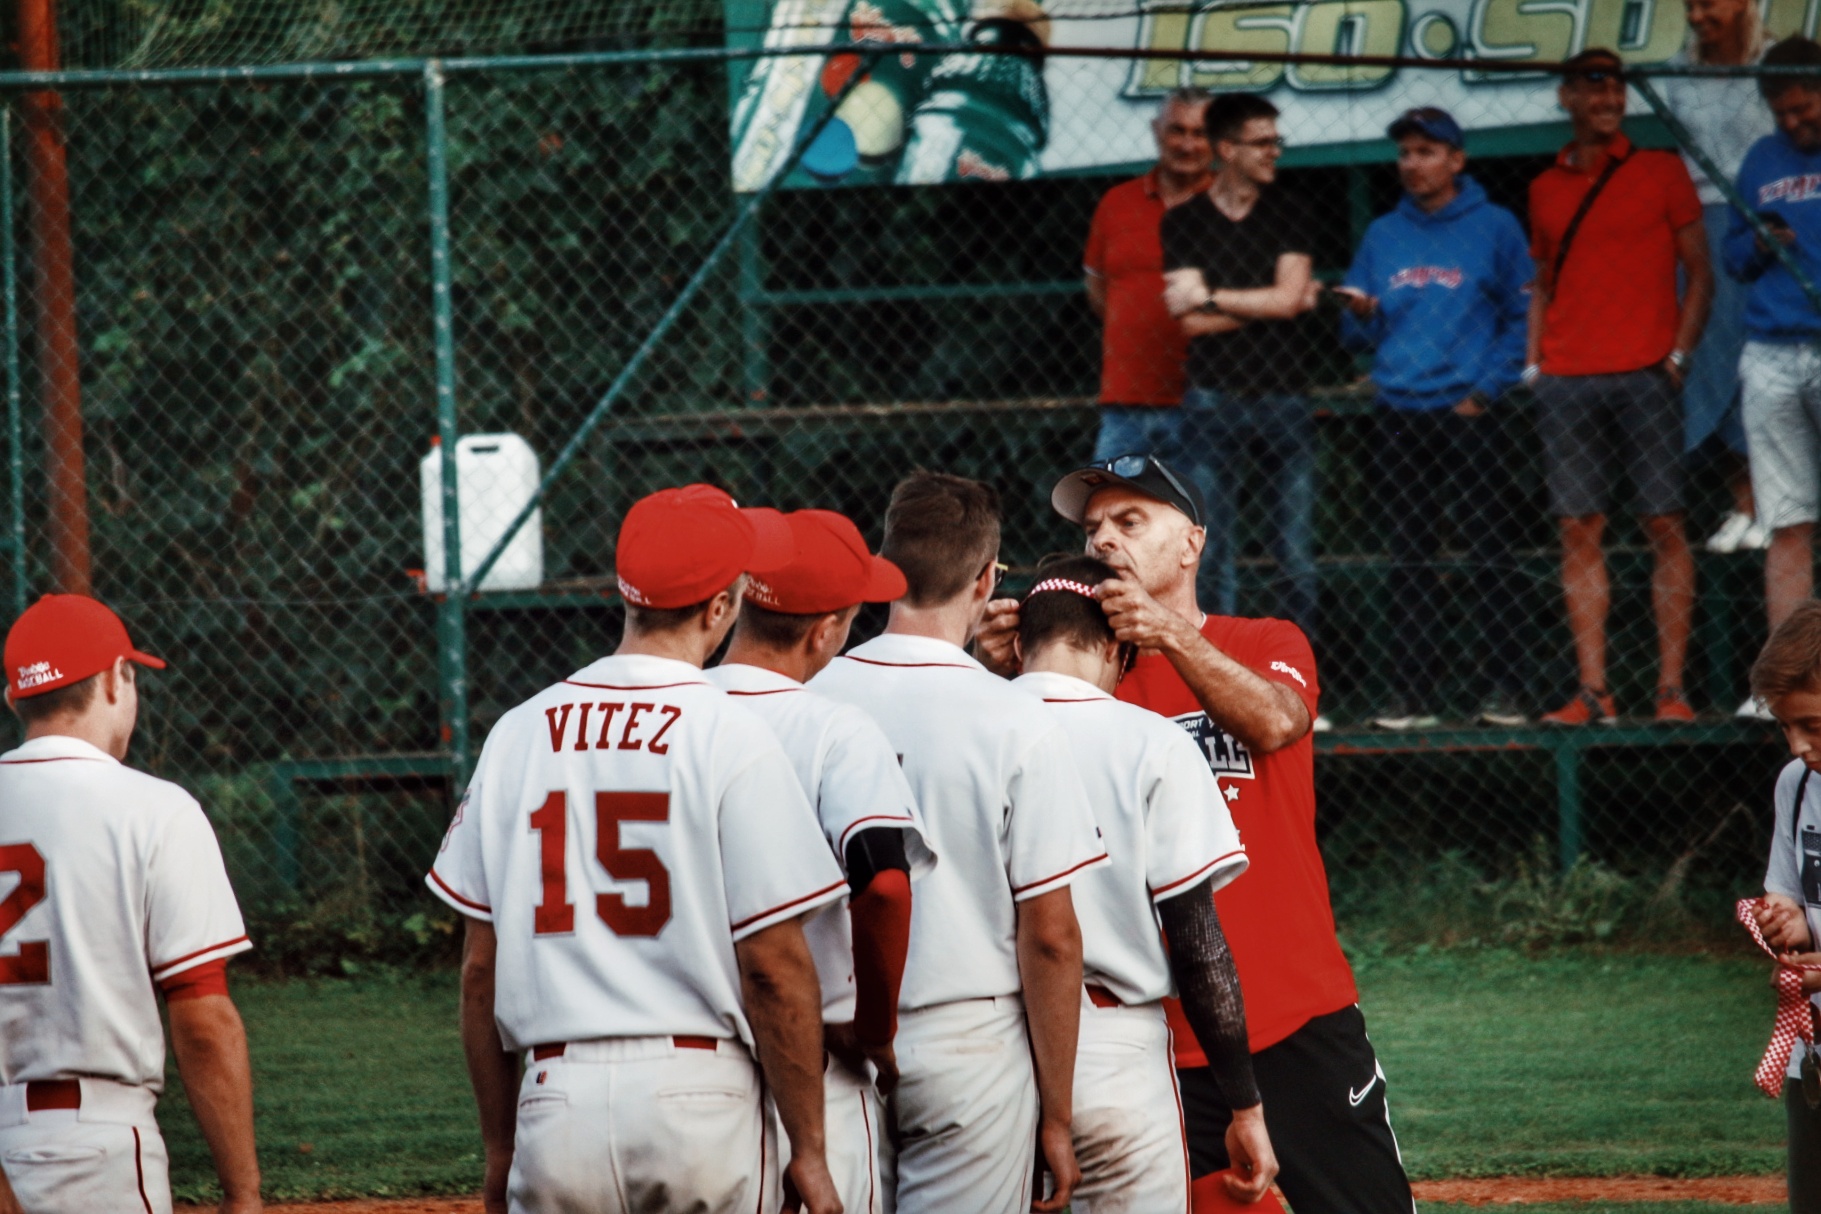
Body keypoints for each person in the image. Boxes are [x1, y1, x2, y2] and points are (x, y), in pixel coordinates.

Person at [977, 454, 1415, 1214]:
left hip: (1293, 1015)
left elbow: (1277, 720)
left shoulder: (1260, 638)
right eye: (1093, 528)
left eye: (1129, 521)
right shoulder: (1074, 680)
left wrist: (1171, 638)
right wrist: (997, 670)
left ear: (1191, 544)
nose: (1105, 539)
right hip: (1148, 1041)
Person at [427, 484, 846, 1214]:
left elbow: (479, 972)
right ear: (720, 609)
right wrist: (809, 1148)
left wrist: (501, 1147)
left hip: (554, 1107)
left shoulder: (519, 733)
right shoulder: (731, 734)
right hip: (698, 1106)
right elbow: (774, 968)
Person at [810, 471, 1107, 1214]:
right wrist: (1060, 1114)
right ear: (984, 581)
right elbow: (1050, 936)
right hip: (967, 1043)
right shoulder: (1013, 719)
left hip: (829, 1038)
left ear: (882, 572)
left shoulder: (808, 700)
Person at [1010, 553, 1279, 1213]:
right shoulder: (1150, 742)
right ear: (1115, 650)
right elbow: (1198, 945)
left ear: (1018, 643)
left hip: (981, 1044)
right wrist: (1243, 1103)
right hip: (1111, 1054)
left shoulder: (963, 725)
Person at [0, 594, 263, 1214]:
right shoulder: (155, 810)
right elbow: (203, 1019)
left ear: (16, 699)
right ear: (117, 680)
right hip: (100, 1149)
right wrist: (243, 1192)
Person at [707, 507, 934, 1214]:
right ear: (826, 629)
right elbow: (886, 889)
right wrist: (875, 1027)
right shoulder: (833, 728)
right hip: (817, 1060)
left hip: (687, 1065)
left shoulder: (674, 712)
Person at [1527, 47, 1712, 725]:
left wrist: (1680, 356)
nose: (1606, 99)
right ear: (1566, 96)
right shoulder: (1544, 186)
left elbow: (1700, 271)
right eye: (1592, 87)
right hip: (1567, 375)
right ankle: (1592, 690)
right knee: (1578, 527)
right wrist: (1533, 363)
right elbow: (1541, 283)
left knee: (1663, 521)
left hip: (1644, 371)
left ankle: (1670, 690)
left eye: (1615, 88)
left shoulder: (1660, 171)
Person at [1338, 106, 1533, 729]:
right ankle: (1413, 698)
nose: (1411, 163)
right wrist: (1361, 313)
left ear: (1456, 159)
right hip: (1399, 410)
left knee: (1490, 553)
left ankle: (1507, 691)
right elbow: (1351, 332)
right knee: (1409, 558)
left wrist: (1486, 389)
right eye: (1405, 153)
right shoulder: (1381, 233)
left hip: (1468, 413)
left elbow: (1522, 316)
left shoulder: (1496, 226)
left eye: (1425, 151)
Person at [1160, 92, 1320, 645]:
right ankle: (1218, 678)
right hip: (1211, 401)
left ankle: (1298, 681)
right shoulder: (1182, 222)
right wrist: (1276, 301)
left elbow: (1289, 296)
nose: (1274, 151)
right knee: (1210, 550)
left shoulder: (1294, 210)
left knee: (1294, 551)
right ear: (1226, 148)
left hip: (1285, 398)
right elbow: (1190, 324)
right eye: (1262, 142)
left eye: (1277, 140)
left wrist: (1214, 296)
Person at [1726, 36, 1821, 716]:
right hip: (1768, 348)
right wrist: (1761, 239)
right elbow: (1731, 256)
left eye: (1803, 106)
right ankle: (1783, 685)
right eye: (1780, 112)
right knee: (1785, 522)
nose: (1792, 122)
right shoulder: (1759, 159)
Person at [1664, 0, 1773, 558]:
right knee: (1715, 363)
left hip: (1764, 225)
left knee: (1767, 361)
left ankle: (1775, 499)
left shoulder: (1776, 62)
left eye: (1710, 3)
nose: (1699, 15)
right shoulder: (1675, 72)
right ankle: (1745, 501)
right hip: (1699, 230)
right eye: (1691, 6)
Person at [1085, 87, 1215, 461]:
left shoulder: (1234, 207)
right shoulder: (1115, 204)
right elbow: (1098, 292)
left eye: (1200, 133)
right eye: (1177, 130)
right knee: (1109, 517)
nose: (1188, 144)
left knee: (1202, 521)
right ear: (1156, 131)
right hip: (1125, 406)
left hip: (1207, 408)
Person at [1742, 599, 1821, 1211]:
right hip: (1813, 1055)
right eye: (1786, 726)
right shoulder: (1797, 787)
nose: (1797, 745)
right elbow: (1788, 891)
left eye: (1813, 726)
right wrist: (1785, 921)